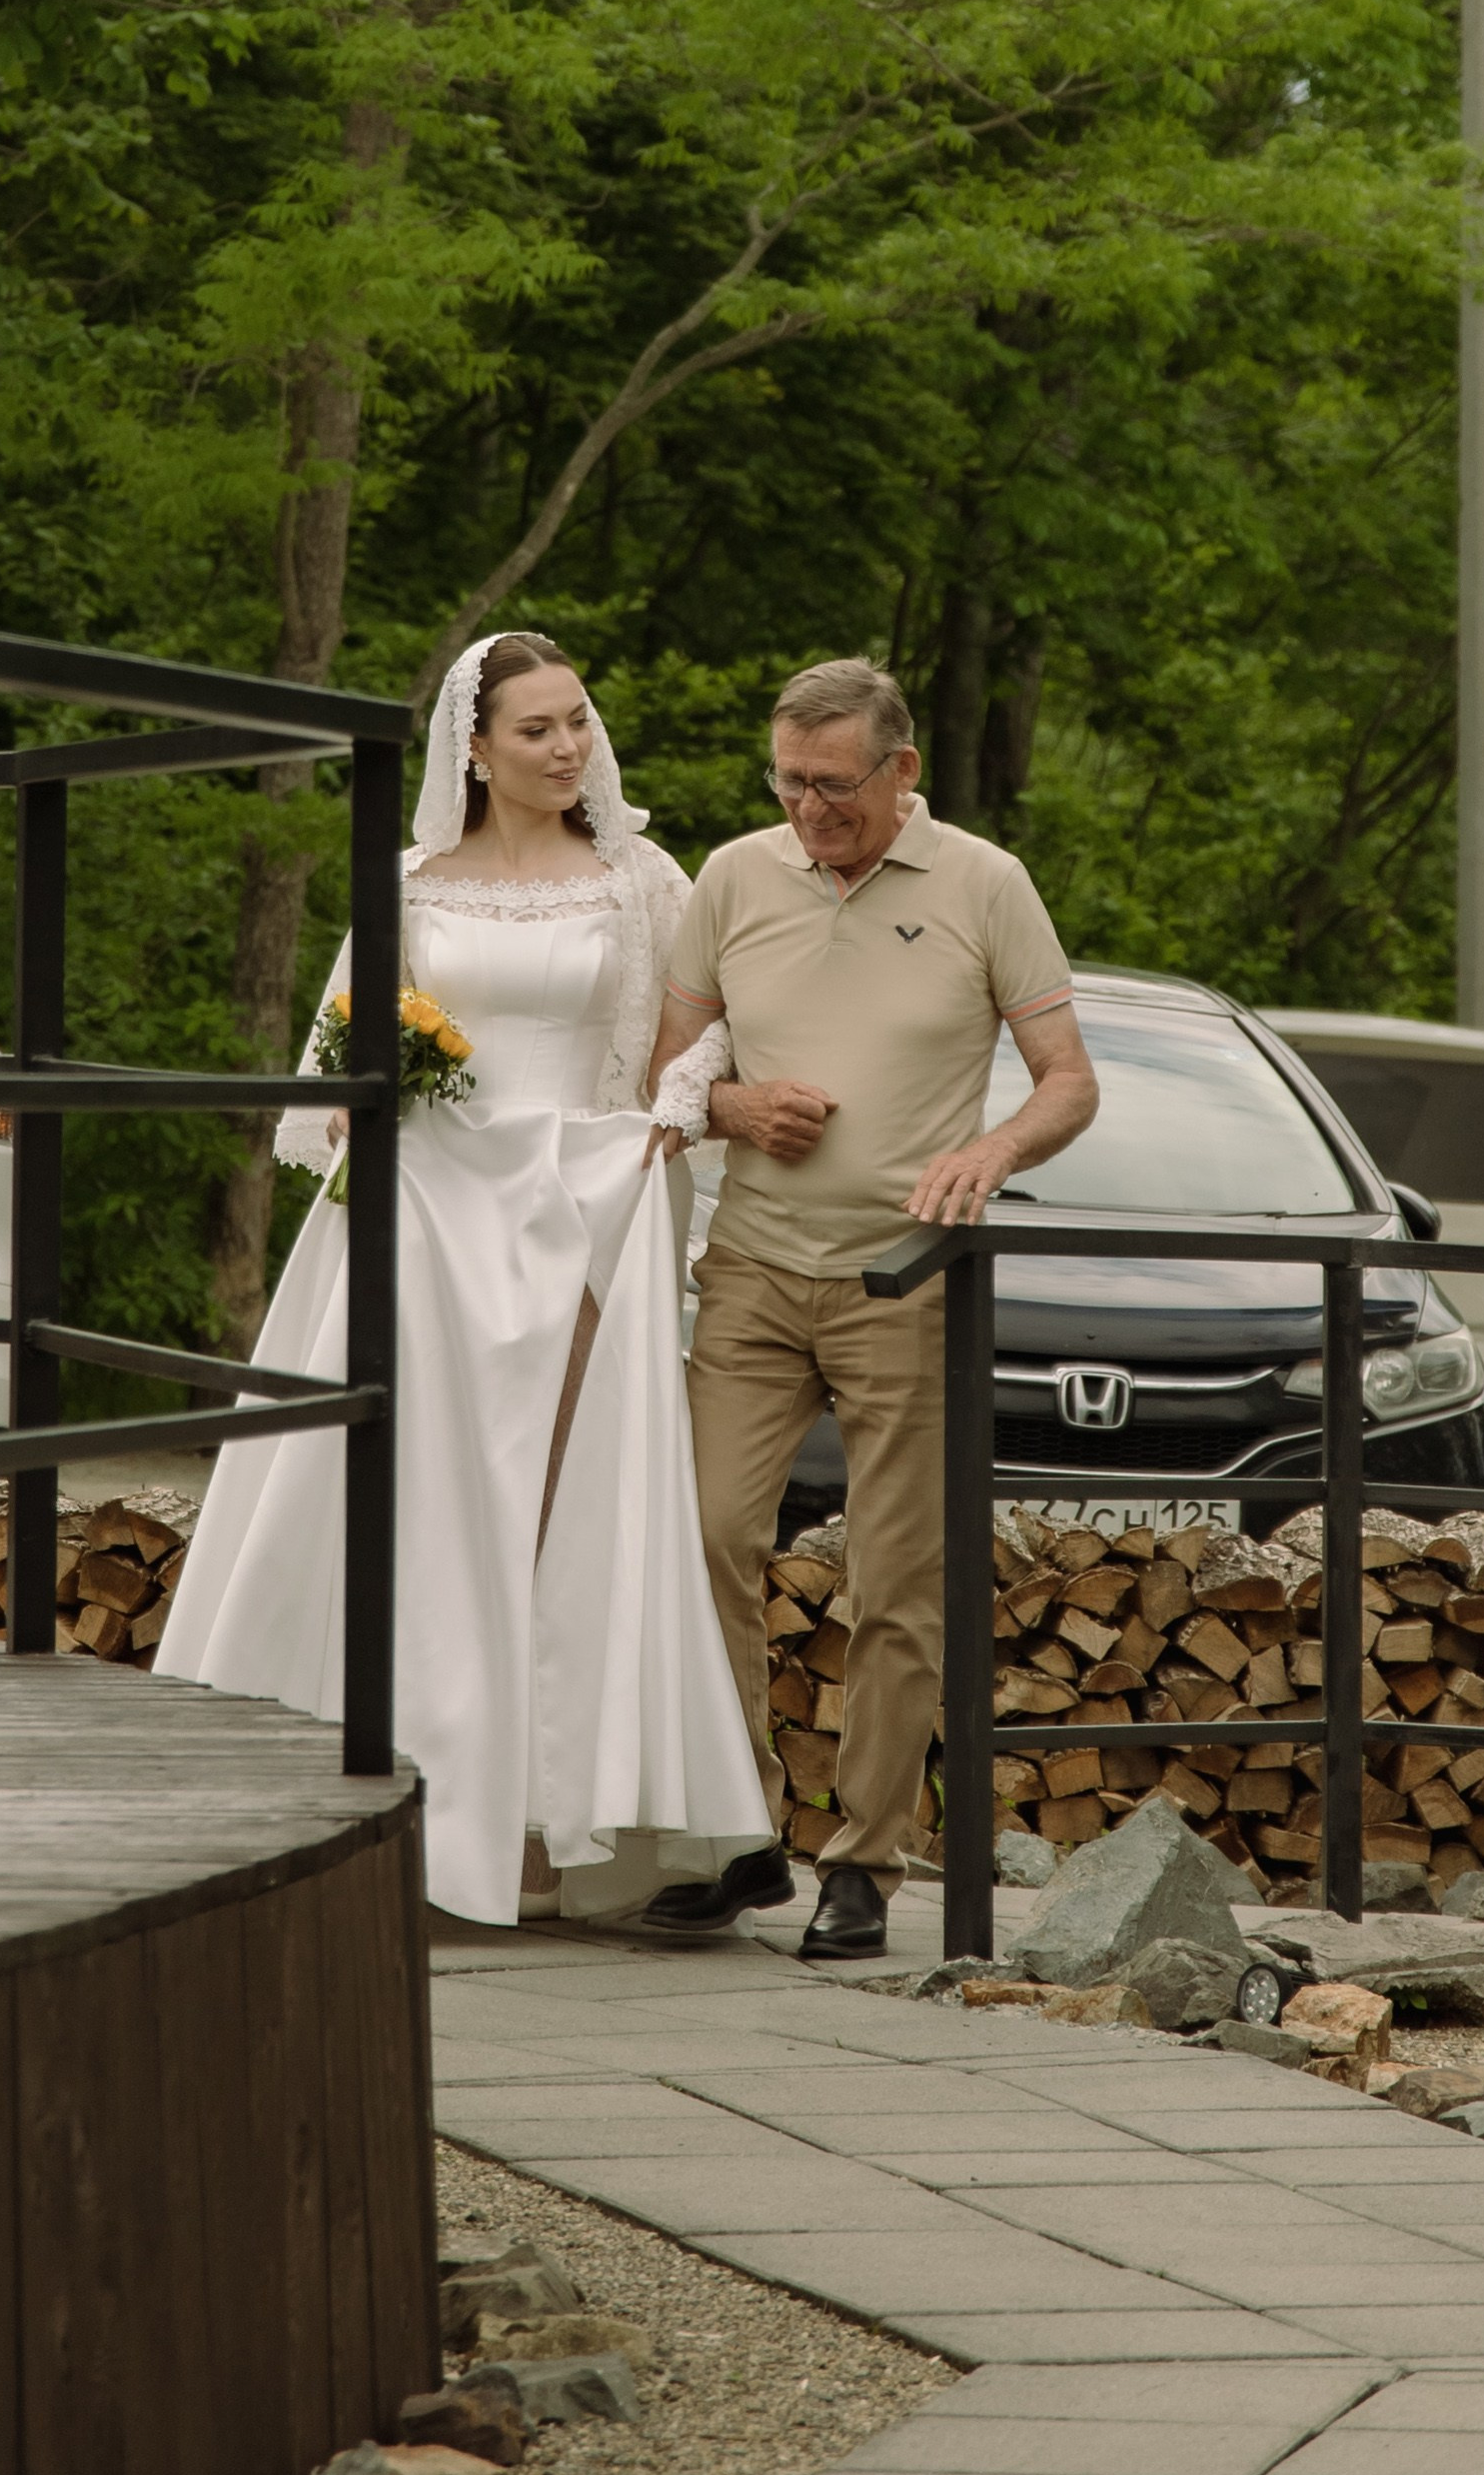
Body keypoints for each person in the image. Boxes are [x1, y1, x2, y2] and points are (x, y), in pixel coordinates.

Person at [156, 630, 772, 1928]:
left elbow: (694, 1031)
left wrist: (669, 1113)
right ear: (473, 747)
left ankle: (544, 1830)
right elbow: (339, 1058)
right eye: (538, 728)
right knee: (409, 1503)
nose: (567, 748)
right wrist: (354, 1112)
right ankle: (369, 1804)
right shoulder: (407, 885)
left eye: (577, 722)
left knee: (556, 1508)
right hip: (431, 1208)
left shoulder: (638, 881)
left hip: (581, 1205)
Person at [638, 656, 1099, 1960]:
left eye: (833, 787)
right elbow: (663, 1070)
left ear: (901, 774)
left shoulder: (983, 885)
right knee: (705, 1536)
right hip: (748, 1269)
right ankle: (738, 1835)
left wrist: (990, 1154)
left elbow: (1066, 1080)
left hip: (906, 1281)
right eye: (787, 782)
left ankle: (862, 1859)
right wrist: (725, 1106)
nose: (808, 812)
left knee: (894, 1577)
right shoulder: (732, 876)